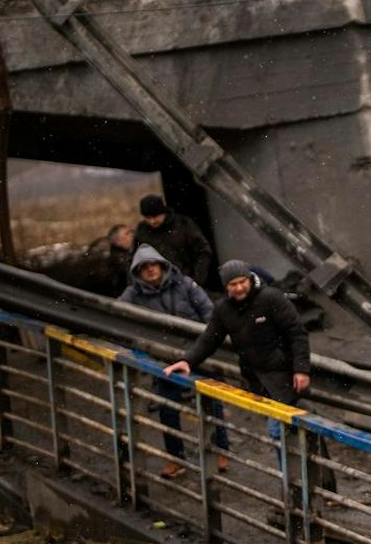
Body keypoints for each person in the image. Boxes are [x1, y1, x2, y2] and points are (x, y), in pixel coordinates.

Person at [163, 259, 331, 496]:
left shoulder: (271, 298)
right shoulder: (224, 310)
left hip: (283, 376)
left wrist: (301, 369)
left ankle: (296, 490)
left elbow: (297, 334)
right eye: (233, 284)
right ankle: (307, 488)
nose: (239, 288)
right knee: (292, 433)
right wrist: (187, 361)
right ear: (226, 287)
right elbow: (210, 339)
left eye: (242, 282)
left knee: (280, 431)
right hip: (258, 380)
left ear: (250, 279)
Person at [119, 243, 228, 478]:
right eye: (144, 267)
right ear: (137, 272)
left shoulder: (186, 285)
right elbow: (117, 318)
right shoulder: (132, 295)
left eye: (153, 265)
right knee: (167, 408)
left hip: (199, 353)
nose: (150, 270)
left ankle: (220, 451)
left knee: (212, 405)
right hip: (164, 359)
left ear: (161, 265)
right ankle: (176, 458)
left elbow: (210, 314)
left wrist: (205, 346)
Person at [133, 193, 214, 288]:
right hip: (156, 286)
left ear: (163, 212)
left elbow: (203, 251)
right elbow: (134, 259)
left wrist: (197, 280)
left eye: (155, 217)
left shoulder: (183, 225)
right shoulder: (142, 231)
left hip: (185, 281)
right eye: (148, 218)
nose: (152, 221)